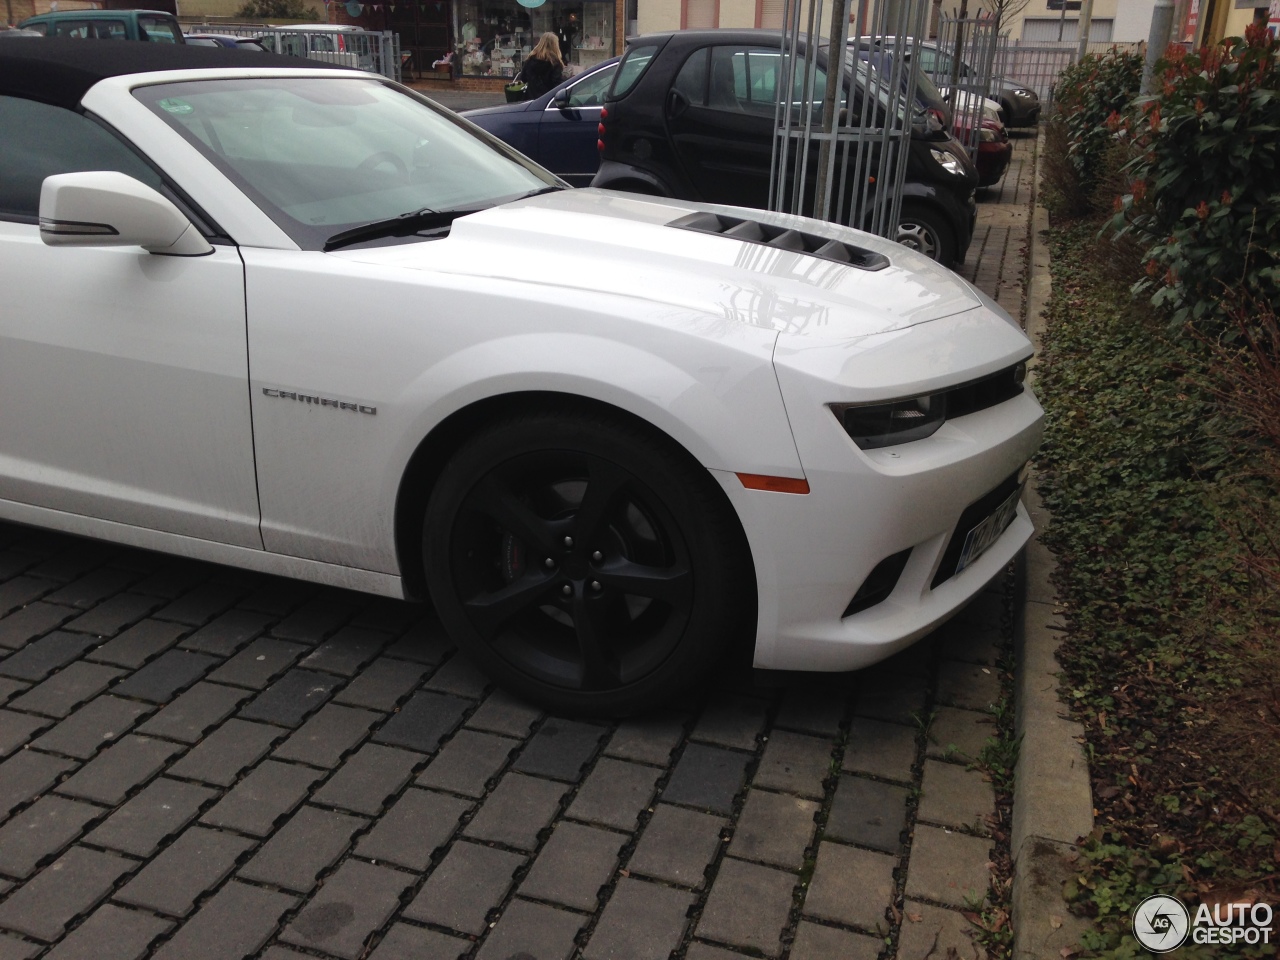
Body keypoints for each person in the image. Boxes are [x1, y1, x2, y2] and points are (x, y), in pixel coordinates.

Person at [521, 32, 564, 99]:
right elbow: (558, 85)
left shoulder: (531, 59)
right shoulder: (554, 62)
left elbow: (523, 78)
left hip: (530, 101)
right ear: (555, 45)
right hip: (547, 101)